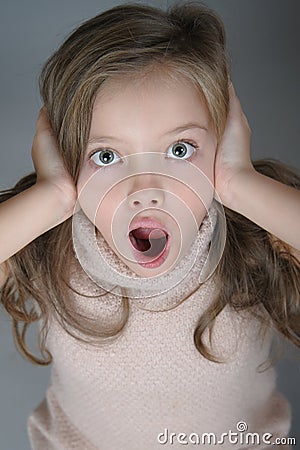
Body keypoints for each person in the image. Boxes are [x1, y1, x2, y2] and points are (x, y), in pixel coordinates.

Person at [0, 2, 299, 449]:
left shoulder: (253, 235)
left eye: (180, 150)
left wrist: (239, 185)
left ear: (223, 141)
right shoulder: (50, 246)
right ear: (67, 160)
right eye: (106, 156)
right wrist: (54, 196)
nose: (146, 189)